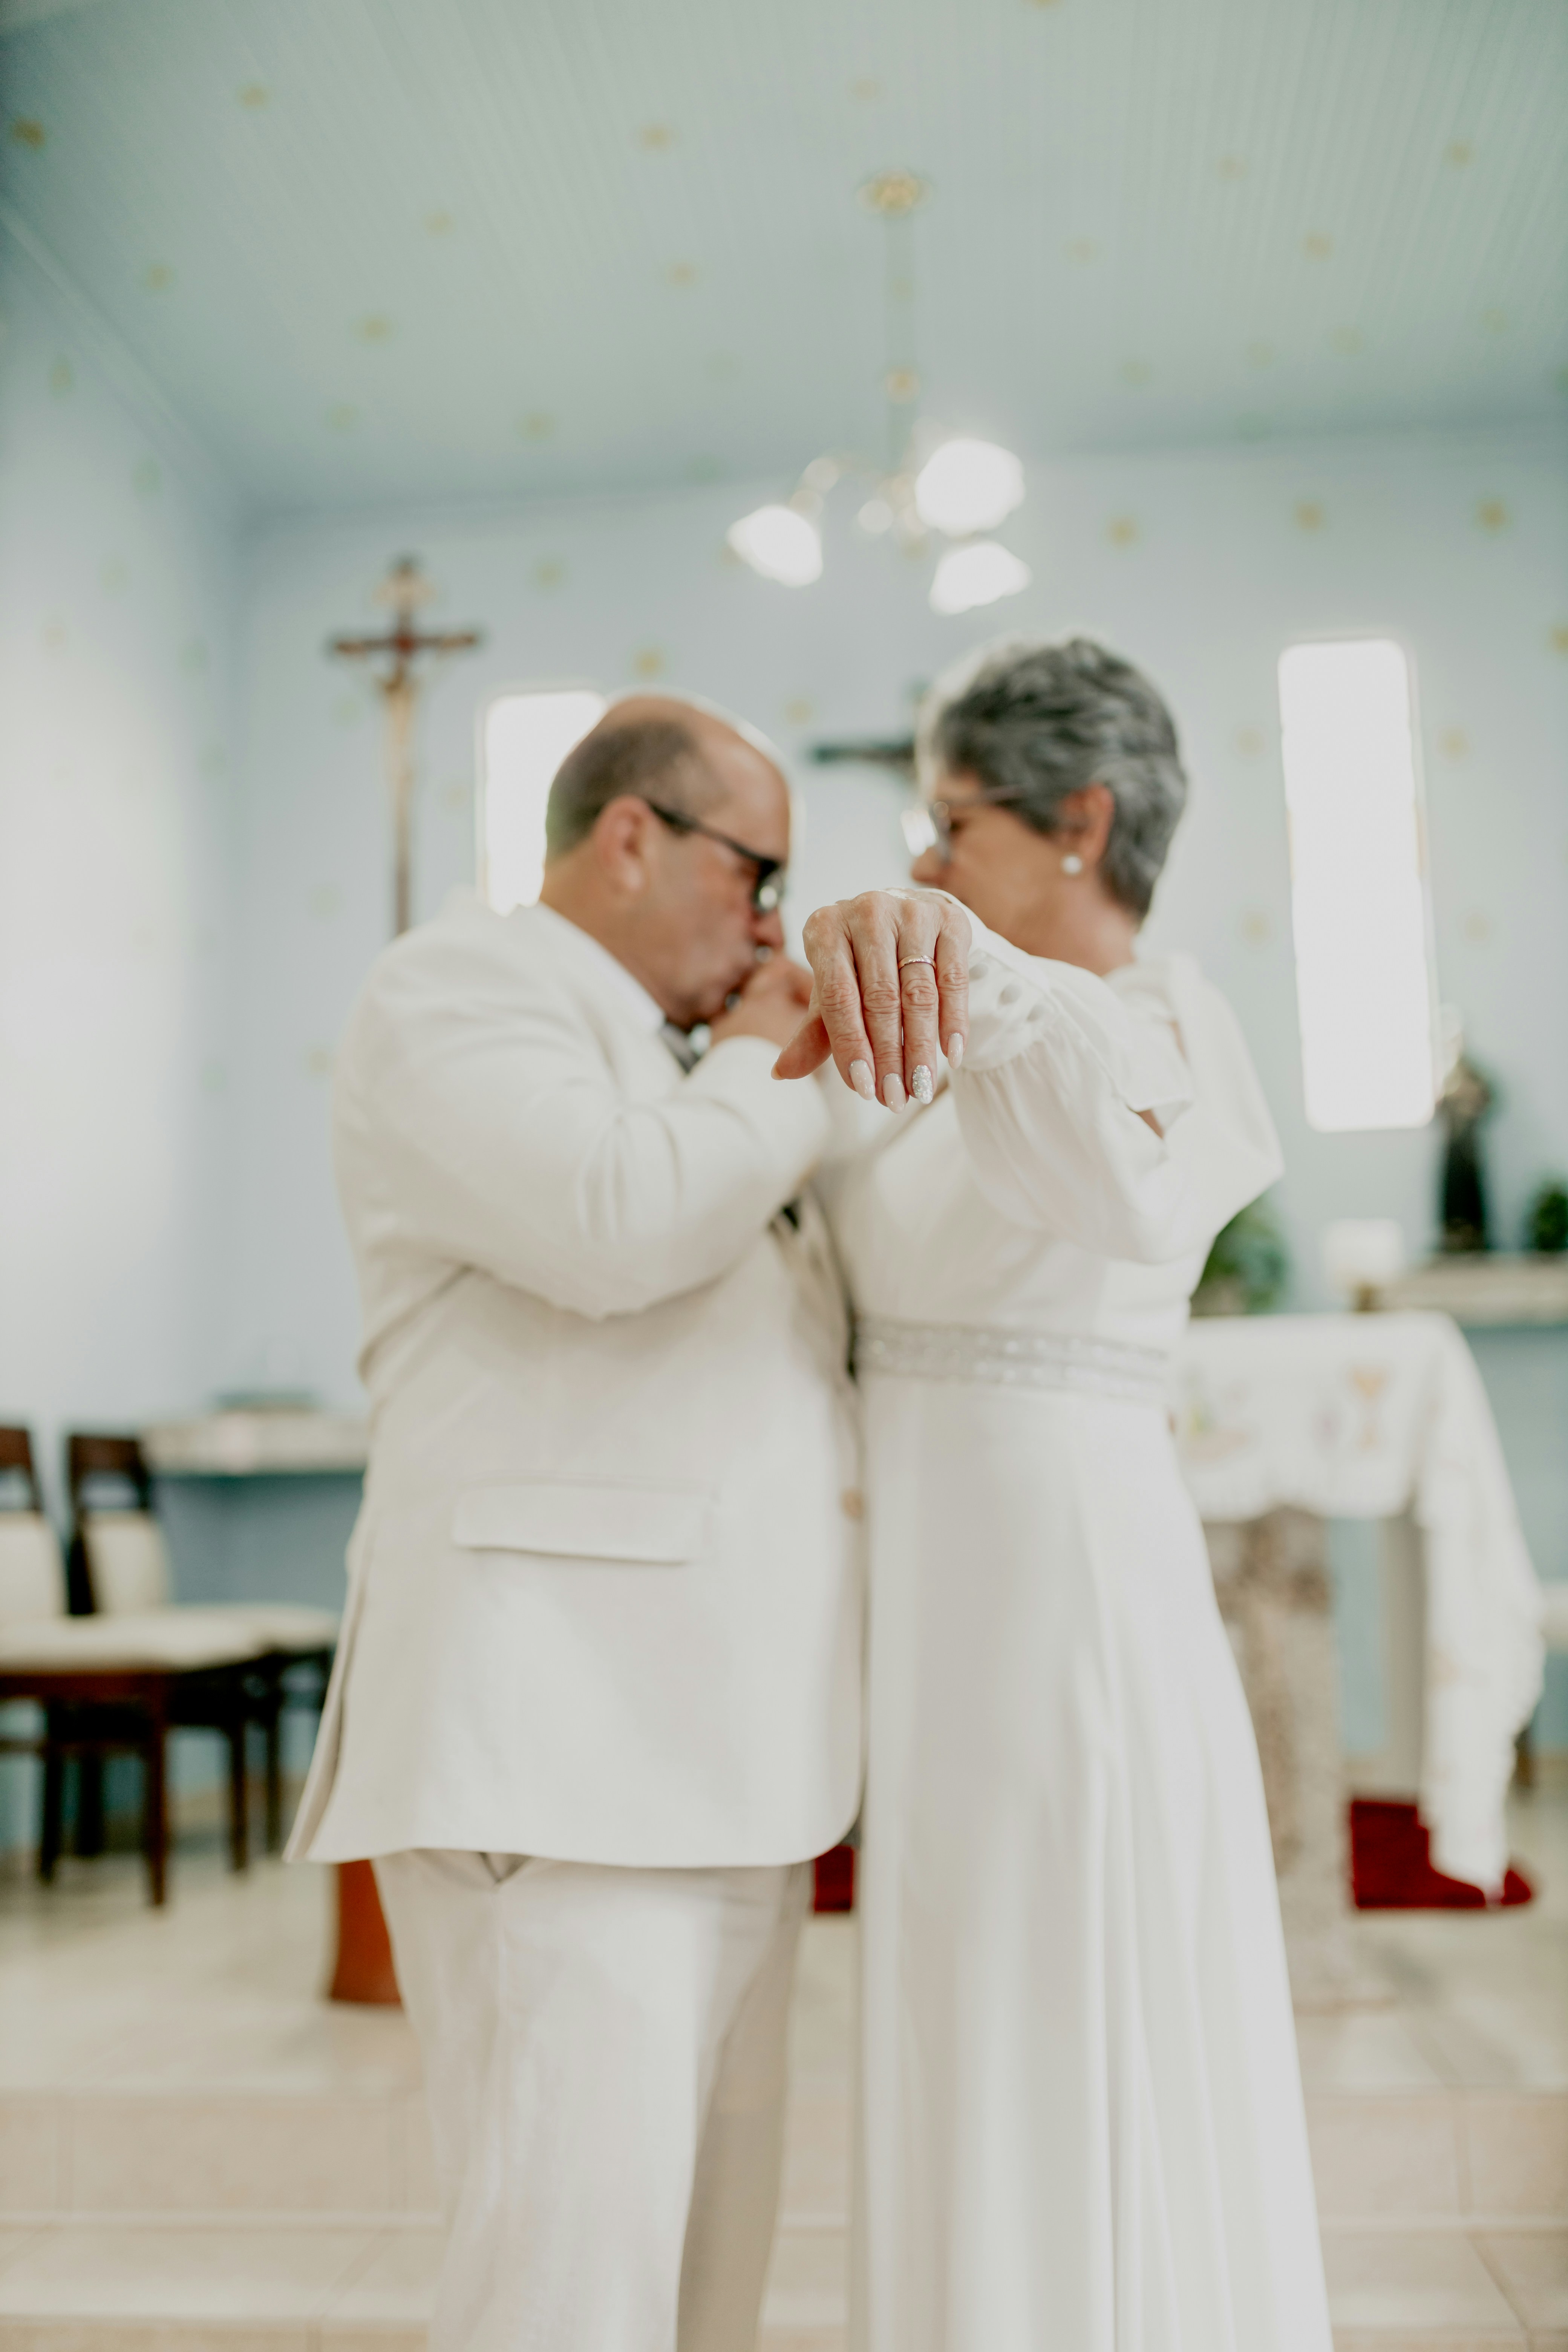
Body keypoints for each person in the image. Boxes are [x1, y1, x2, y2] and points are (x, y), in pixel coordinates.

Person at [775, 639, 1332, 2351]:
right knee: (956, 1992)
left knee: (1058, 1977)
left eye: (955, 822)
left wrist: (978, 972)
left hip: (1061, 1585)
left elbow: (1125, 1183)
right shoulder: (923, 1033)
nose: (926, 856)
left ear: (1079, 822)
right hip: (925, 1586)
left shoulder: (1168, 1025)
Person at [288, 696, 863, 2352]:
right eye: (754, 874)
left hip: (726, 1757)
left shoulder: (697, 1062)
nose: (769, 927)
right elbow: (616, 1218)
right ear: (629, 836)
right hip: (561, 1746)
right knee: (566, 2292)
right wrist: (767, 1050)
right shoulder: (456, 987)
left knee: (702, 2290)